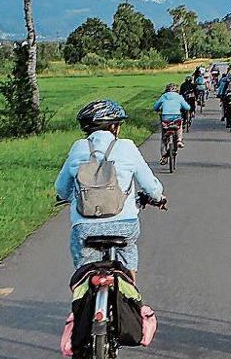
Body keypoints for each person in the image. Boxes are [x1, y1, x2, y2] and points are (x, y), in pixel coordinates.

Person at [55, 100, 165, 274]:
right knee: (128, 254)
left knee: (84, 271)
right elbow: (150, 186)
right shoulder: (127, 146)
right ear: (114, 127)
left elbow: (61, 189)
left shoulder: (78, 148)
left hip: (85, 227)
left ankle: (81, 295)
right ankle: (132, 296)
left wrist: (67, 196)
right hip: (124, 224)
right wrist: (158, 198)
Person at [153, 83, 191, 165]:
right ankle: (179, 140)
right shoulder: (179, 97)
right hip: (176, 117)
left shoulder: (164, 96)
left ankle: (163, 157)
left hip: (165, 118)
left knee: (163, 138)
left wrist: (158, 109)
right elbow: (187, 107)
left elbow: (155, 107)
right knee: (179, 126)